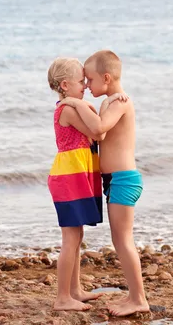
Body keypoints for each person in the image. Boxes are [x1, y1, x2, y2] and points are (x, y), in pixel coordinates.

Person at [60, 50, 150, 317]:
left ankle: (138, 299)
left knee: (123, 240)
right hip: (113, 180)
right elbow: (98, 136)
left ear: (107, 78)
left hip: (124, 179)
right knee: (119, 239)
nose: (86, 85)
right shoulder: (109, 102)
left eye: (89, 79)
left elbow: (99, 129)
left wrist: (72, 103)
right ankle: (135, 297)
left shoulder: (120, 103)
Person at [47, 57, 127, 311]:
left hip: (77, 176)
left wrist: (107, 101)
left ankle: (75, 290)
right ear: (64, 85)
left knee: (77, 235)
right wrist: (76, 103)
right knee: (70, 237)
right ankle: (62, 298)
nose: (84, 86)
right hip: (69, 177)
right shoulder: (68, 109)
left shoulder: (74, 105)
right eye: (81, 82)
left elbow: (94, 121)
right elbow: (98, 133)